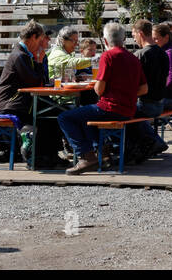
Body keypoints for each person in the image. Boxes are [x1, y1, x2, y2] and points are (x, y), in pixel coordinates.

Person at [60, 22, 147, 174]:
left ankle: (86, 157)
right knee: (85, 115)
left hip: (110, 107)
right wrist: (126, 93)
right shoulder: (133, 58)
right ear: (124, 39)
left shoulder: (108, 56)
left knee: (65, 117)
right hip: (129, 109)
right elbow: (144, 89)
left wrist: (99, 88)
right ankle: (102, 152)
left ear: (105, 41)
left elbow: (99, 90)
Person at [0, 21, 65, 168]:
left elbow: (40, 80)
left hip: (21, 101)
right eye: (40, 39)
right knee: (48, 114)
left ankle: (50, 155)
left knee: (54, 111)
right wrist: (38, 60)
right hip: (9, 104)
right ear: (33, 37)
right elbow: (35, 81)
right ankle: (39, 157)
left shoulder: (25, 54)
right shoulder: (19, 55)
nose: (41, 43)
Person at [132, 18, 171, 156]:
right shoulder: (163, 53)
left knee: (119, 112)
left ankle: (154, 142)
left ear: (140, 33)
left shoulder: (140, 55)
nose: (134, 39)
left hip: (144, 105)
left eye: (133, 35)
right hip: (160, 103)